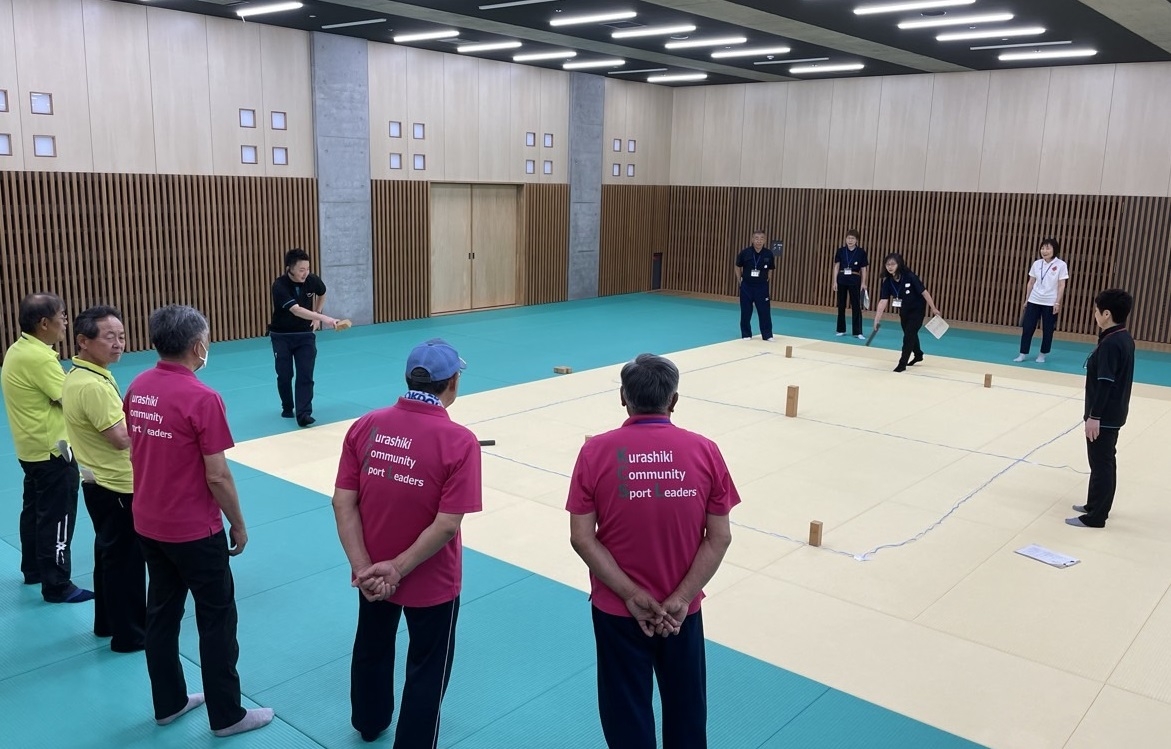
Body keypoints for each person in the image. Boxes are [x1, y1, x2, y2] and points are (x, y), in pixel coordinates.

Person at [567, 353, 739, 749]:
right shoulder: (705, 450)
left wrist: (631, 595)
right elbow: (720, 537)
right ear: (674, 401)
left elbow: (581, 536)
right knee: (687, 708)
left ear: (623, 398)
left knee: (625, 709)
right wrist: (679, 598)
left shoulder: (595, 452)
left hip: (617, 609)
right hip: (682, 612)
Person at [125, 305, 273, 737]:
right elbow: (218, 473)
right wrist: (240, 523)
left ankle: (168, 703)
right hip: (193, 530)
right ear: (198, 346)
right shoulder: (202, 398)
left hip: (148, 522)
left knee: (163, 614)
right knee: (216, 620)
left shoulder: (137, 387)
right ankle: (228, 715)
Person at [333, 338, 482, 748]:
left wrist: (365, 567)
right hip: (430, 578)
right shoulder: (459, 441)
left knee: (371, 646)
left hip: (371, 575)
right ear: (452, 383)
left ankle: (369, 719)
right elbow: (447, 525)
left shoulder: (366, 425)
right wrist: (398, 567)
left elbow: (343, 501)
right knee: (427, 667)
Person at [62, 305, 146, 651]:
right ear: (83, 341)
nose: (118, 344)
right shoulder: (92, 385)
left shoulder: (82, 374)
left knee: (109, 556)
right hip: (115, 485)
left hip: (97, 481)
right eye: (109, 337)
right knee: (126, 561)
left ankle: (108, 623)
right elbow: (121, 437)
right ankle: (130, 635)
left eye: (122, 336)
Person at [1, 293, 91, 603]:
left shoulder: (18, 350)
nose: (65, 322)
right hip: (54, 451)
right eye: (62, 317)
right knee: (58, 516)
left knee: (34, 511)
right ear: (44, 323)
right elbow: (71, 398)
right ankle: (57, 584)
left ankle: (34, 569)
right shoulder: (40, 358)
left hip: (31, 448)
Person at [1067, 289, 1134, 529]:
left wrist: (1094, 416)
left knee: (1102, 462)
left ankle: (1097, 516)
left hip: (1104, 415)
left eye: (1096, 311)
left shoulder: (1112, 343)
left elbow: (1106, 383)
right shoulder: (1121, 336)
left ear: (1106, 314)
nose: (1094, 314)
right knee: (1100, 462)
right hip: (1113, 412)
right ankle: (1094, 504)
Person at [268, 248, 342, 427]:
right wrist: (325, 319)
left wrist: (317, 312)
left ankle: (304, 413)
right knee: (284, 375)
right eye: (301, 269)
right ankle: (287, 406)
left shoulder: (312, 280)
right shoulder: (279, 286)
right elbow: (296, 310)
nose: (305, 273)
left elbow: (322, 292)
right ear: (290, 268)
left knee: (305, 374)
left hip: (305, 335)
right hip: (281, 336)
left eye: (307, 268)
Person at [872, 254, 942, 373]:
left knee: (908, 335)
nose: (890, 267)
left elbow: (924, 293)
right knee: (910, 333)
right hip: (904, 311)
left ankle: (902, 363)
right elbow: (883, 301)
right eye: (888, 264)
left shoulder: (910, 277)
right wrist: (877, 319)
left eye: (893, 264)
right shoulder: (888, 281)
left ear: (899, 264)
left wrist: (934, 308)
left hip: (917, 310)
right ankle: (918, 354)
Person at [1015, 238, 1069, 364]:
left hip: (1050, 302)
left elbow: (1062, 285)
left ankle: (1042, 354)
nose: (1044, 251)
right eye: (1043, 248)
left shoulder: (1061, 265)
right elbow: (1031, 282)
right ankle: (1022, 354)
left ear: (1054, 250)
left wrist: (1057, 302)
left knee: (1048, 329)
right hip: (1034, 299)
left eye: (1048, 248)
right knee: (1027, 327)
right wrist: (1027, 299)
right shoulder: (1037, 264)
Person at [735, 230, 775, 341]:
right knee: (746, 311)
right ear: (752, 240)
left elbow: (771, 269)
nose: (759, 241)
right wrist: (740, 281)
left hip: (762, 287)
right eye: (756, 238)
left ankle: (767, 335)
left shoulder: (768, 254)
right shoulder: (745, 253)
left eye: (761, 238)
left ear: (765, 240)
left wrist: (766, 280)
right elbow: (737, 267)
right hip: (747, 286)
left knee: (765, 312)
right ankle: (746, 334)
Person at [832, 229, 869, 339]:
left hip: (854, 279)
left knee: (856, 306)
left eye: (853, 238)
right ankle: (841, 329)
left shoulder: (861, 252)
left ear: (857, 240)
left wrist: (863, 283)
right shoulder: (841, 251)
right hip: (842, 278)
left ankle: (858, 332)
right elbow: (836, 266)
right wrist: (834, 281)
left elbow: (863, 269)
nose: (850, 240)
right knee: (841, 305)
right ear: (845, 239)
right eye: (848, 238)